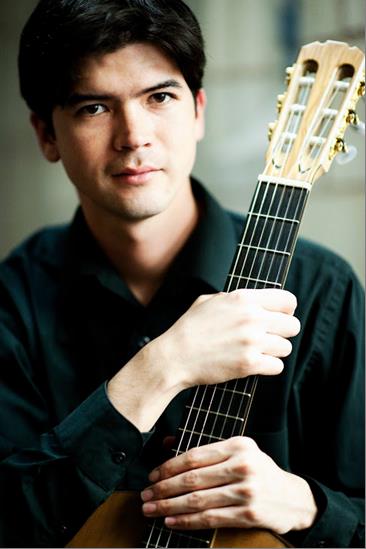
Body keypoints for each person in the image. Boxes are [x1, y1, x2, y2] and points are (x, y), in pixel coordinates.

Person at [0, 0, 364, 547]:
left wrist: (307, 506)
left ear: (198, 111)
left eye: (160, 97)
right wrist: (161, 366)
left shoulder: (320, 289)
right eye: (95, 108)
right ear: (47, 135)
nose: (133, 136)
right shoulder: (13, 301)